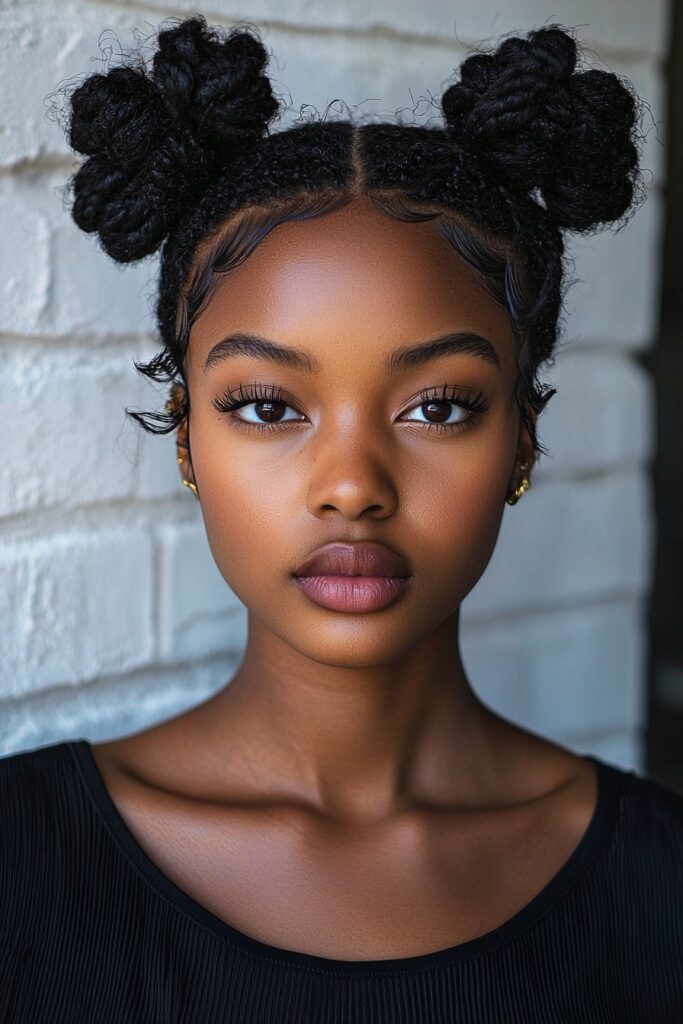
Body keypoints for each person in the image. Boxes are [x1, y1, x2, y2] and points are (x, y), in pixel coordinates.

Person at [1, 16, 681, 1024]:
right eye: (268, 407)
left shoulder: (660, 883)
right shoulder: (18, 861)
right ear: (187, 440)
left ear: (521, 444)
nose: (351, 484)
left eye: (437, 407)